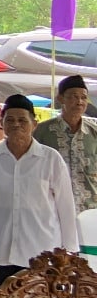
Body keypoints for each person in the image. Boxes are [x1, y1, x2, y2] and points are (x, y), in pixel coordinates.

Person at [0, 93, 79, 284]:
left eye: (22, 120)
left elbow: (66, 208)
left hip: (41, 254)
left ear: (34, 124)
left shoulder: (51, 159)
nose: (16, 124)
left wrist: (70, 254)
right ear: (2, 123)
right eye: (10, 120)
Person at [36, 74, 97, 212]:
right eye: (74, 96)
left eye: (83, 97)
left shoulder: (94, 131)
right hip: (53, 209)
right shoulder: (42, 131)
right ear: (60, 98)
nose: (80, 102)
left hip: (90, 209)